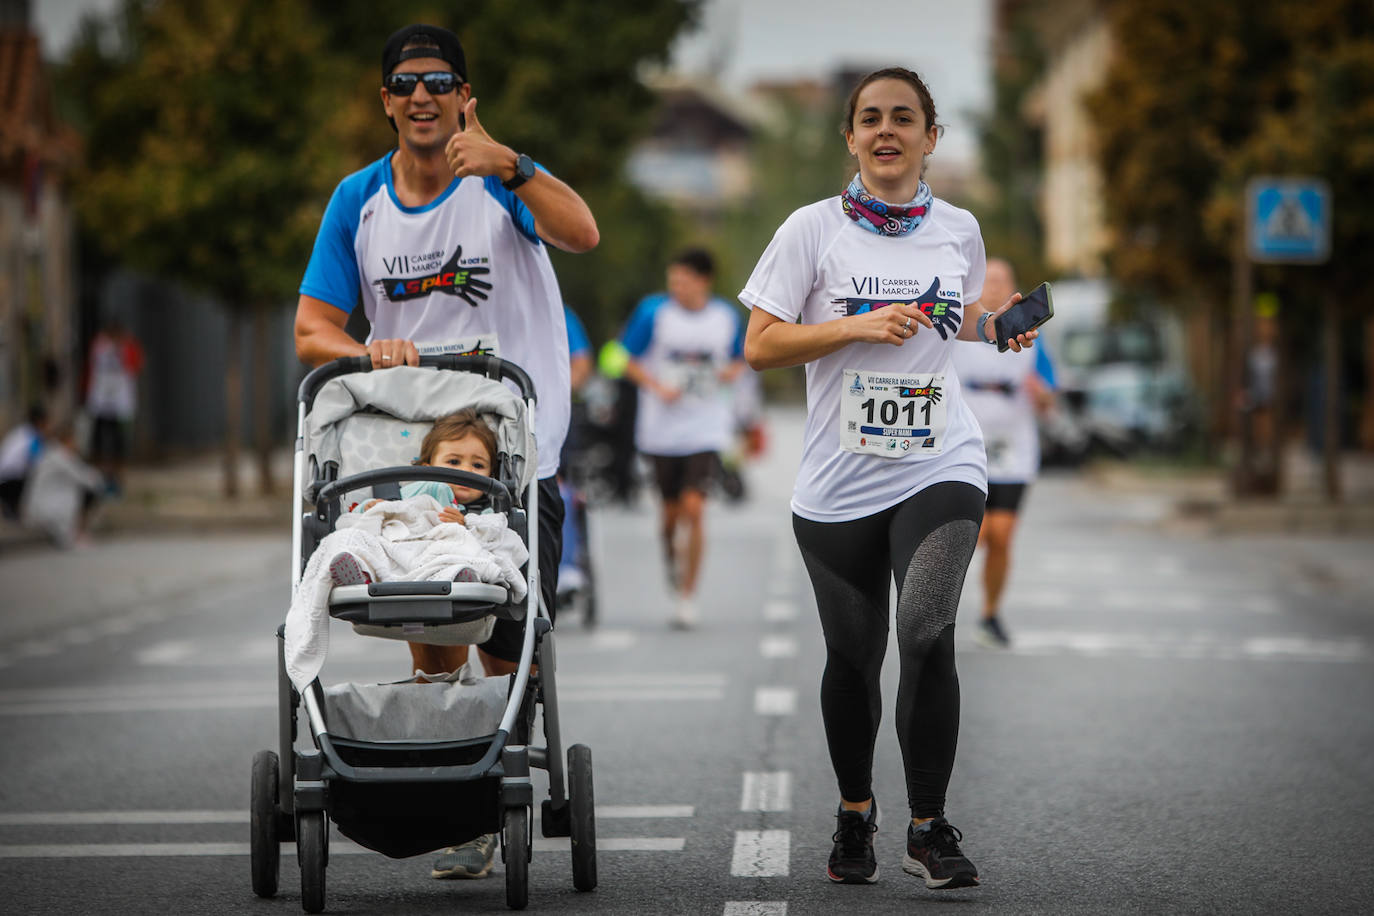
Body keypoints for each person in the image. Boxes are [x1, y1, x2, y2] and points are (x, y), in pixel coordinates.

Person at [291, 22, 598, 882]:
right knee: (429, 621)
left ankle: (491, 774)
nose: (422, 96)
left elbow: (582, 234)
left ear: (466, 96)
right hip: (408, 448)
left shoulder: (500, 184)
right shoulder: (359, 200)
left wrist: (516, 166)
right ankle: (458, 799)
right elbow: (312, 325)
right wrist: (361, 351)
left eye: (439, 82)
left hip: (512, 446)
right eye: (405, 84)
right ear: (385, 100)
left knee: (505, 639)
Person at [740, 67, 1037, 892]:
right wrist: (853, 327)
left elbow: (956, 317)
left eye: (904, 118)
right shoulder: (810, 231)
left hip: (942, 460)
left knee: (929, 628)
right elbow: (760, 344)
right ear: (850, 137)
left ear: (930, 137)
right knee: (853, 656)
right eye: (870, 118)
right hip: (838, 482)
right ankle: (855, 810)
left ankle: (929, 825)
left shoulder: (959, 228)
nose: (886, 130)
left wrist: (999, 326)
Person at [621, 248, 745, 629]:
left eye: (684, 280)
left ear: (704, 280)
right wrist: (656, 386)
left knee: (695, 508)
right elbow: (619, 356)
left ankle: (688, 596)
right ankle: (671, 560)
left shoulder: (725, 316)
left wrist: (730, 373)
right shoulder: (653, 312)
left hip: (706, 427)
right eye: (672, 280)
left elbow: (745, 357)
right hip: (661, 430)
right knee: (670, 516)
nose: (676, 287)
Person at [951, 258, 1056, 649]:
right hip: (965, 446)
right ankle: (938, 610)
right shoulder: (959, 331)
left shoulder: (1031, 339)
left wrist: (1041, 394)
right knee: (971, 534)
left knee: (1002, 535)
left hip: (1013, 448)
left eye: (1003, 281)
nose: (995, 287)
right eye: (989, 281)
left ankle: (991, 614)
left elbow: (1049, 393)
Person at [84, 319, 145, 494]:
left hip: (120, 402)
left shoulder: (128, 346)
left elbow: (135, 366)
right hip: (101, 400)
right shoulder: (99, 346)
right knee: (99, 439)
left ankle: (117, 477)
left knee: (119, 441)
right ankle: (100, 476)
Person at [0, 405, 49, 520]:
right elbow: (38, 461)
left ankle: (11, 509)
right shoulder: (34, 436)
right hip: (12, 481)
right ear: (40, 421)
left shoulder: (20, 431)